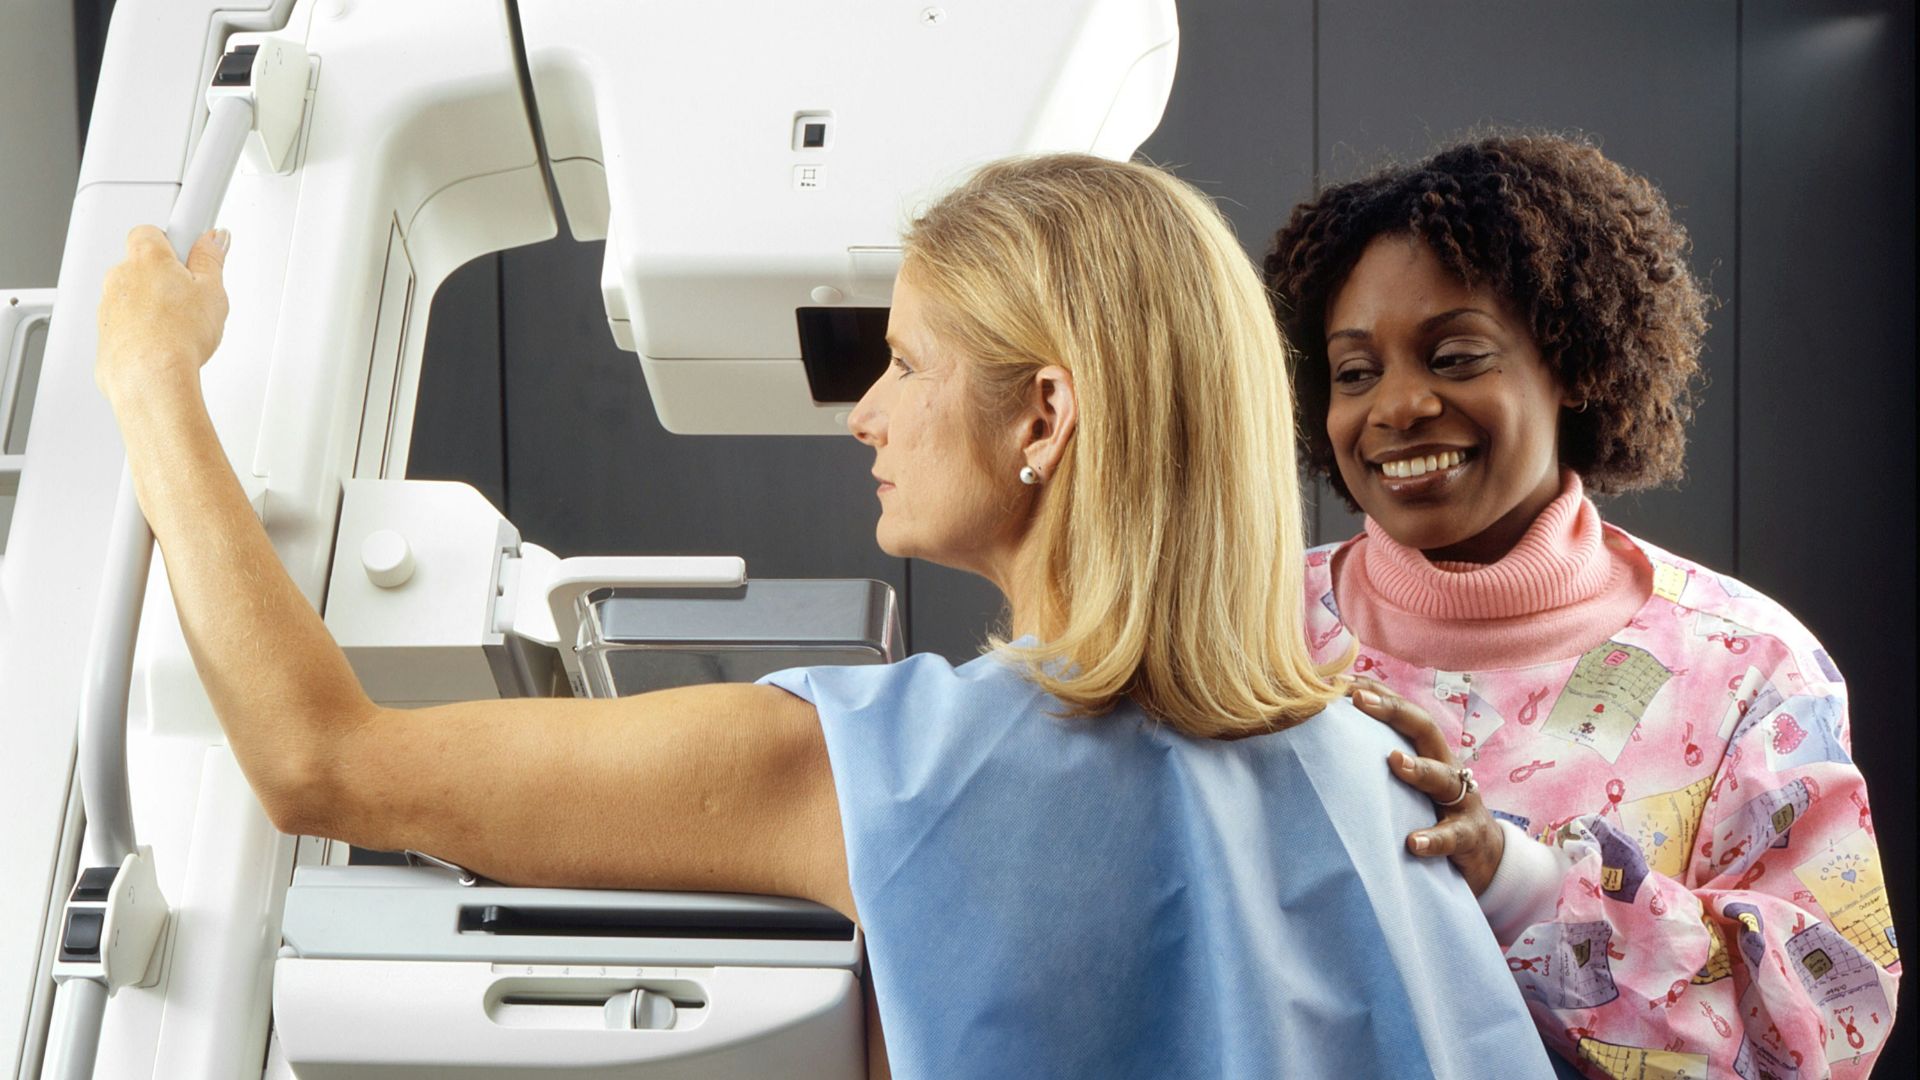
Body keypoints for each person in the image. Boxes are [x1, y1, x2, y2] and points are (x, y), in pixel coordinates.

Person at [95, 154, 1553, 1079]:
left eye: (906, 362)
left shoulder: (878, 764)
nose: (864, 412)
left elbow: (317, 759)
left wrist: (154, 384)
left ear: (1046, 409)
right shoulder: (1381, 772)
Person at [1265, 132, 1900, 1078]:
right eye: (1355, 372)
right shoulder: (1249, 627)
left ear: (1573, 362)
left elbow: (1824, 1028)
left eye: (1455, 356)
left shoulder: (1749, 668)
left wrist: (1518, 886)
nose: (1397, 405)